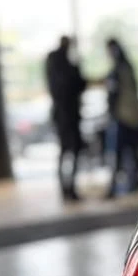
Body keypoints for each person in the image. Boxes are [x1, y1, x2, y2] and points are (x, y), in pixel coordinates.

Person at [45, 36, 87, 200]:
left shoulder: (54, 62)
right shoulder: (65, 64)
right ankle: (67, 187)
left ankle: (66, 187)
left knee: (66, 151)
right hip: (68, 114)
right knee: (70, 150)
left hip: (63, 114)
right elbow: (77, 84)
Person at [104, 38, 138, 197]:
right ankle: (132, 185)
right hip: (132, 117)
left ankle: (115, 187)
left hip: (122, 117)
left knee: (118, 154)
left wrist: (111, 113)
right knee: (132, 154)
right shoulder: (128, 67)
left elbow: (113, 94)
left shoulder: (117, 70)